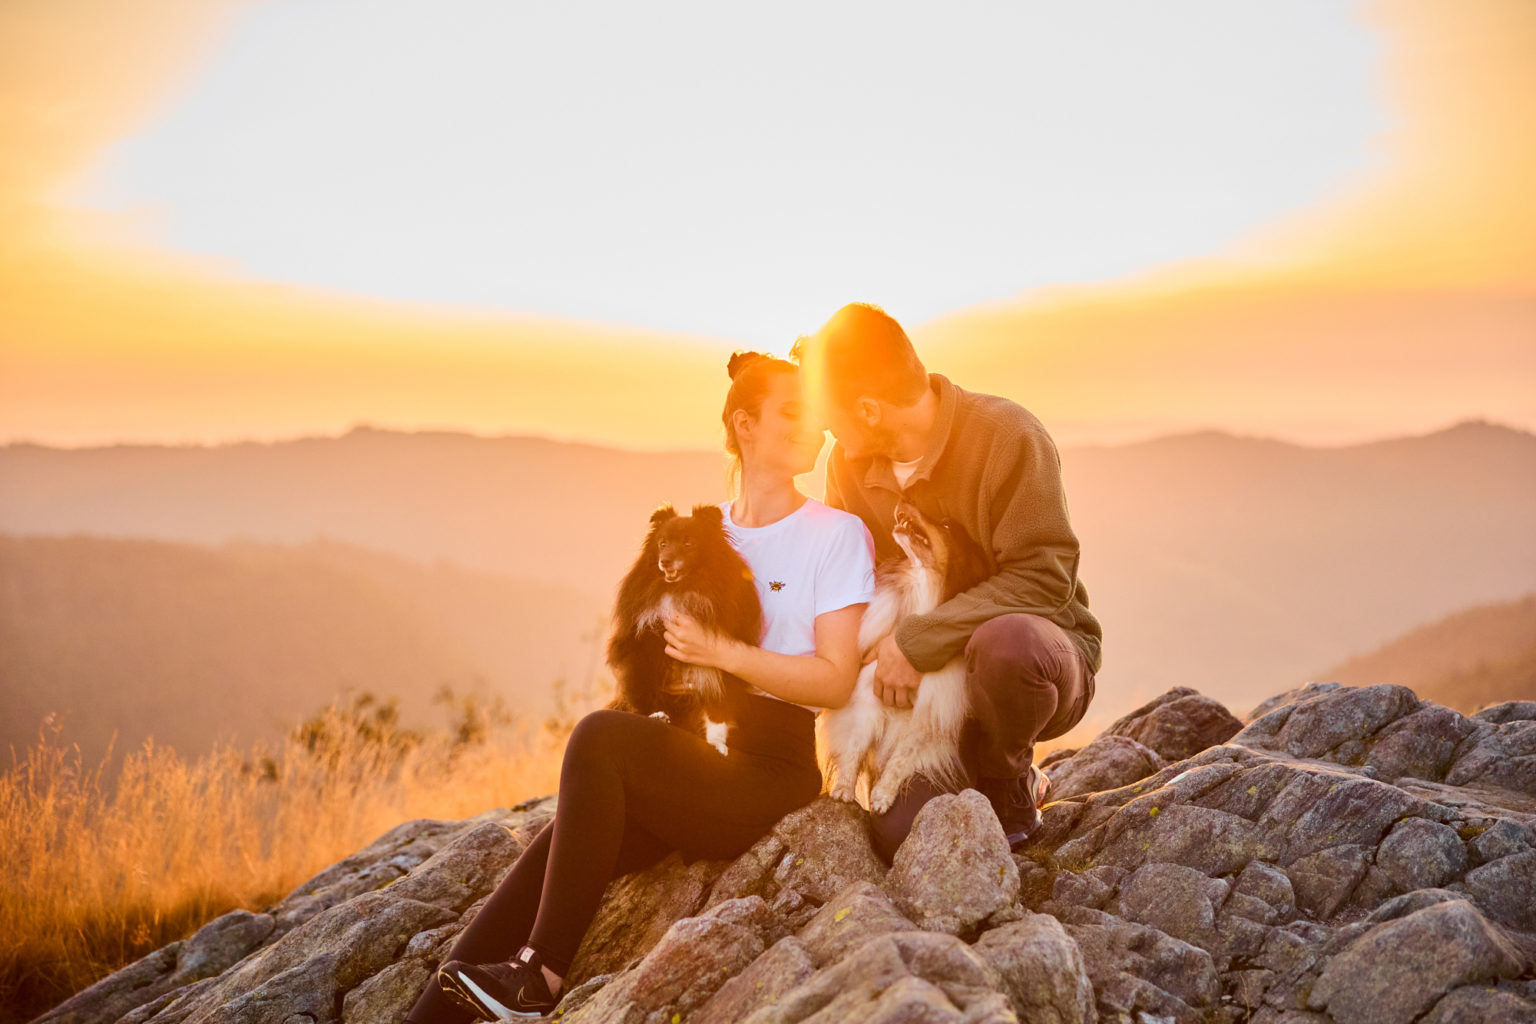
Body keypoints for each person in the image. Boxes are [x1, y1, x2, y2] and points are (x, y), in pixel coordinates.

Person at [405, 351, 876, 1022]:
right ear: (744, 425)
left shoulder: (834, 534)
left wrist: (725, 653)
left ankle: (538, 978)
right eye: (792, 413)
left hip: (767, 773)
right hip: (689, 756)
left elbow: (834, 680)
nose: (814, 428)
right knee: (556, 844)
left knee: (597, 737)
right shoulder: (698, 536)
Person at [790, 302, 1103, 865]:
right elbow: (851, 588)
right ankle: (956, 766)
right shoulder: (849, 466)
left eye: (830, 416)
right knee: (899, 835)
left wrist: (918, 639)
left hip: (1035, 666)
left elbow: (1044, 578)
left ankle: (1009, 780)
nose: (825, 431)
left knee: (1007, 646)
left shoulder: (1007, 437)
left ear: (868, 409)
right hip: (927, 699)